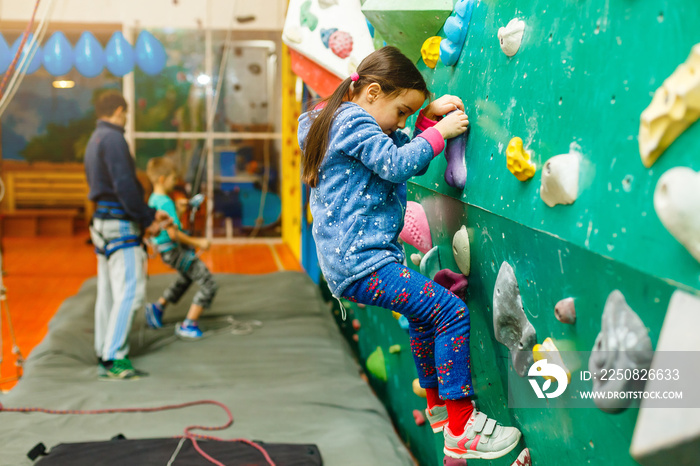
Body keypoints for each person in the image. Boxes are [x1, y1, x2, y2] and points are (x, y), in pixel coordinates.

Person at [297, 46, 522, 460]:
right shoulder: (352, 122)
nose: (400, 122)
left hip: (354, 264)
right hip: (364, 264)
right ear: (371, 93)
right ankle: (461, 425)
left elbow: (392, 149)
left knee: (424, 316)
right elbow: (397, 163)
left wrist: (421, 118)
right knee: (449, 312)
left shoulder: (337, 121)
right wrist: (439, 131)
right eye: (400, 111)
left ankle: (437, 405)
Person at [85, 90, 171, 380]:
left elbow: (115, 189)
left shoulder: (94, 139)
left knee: (109, 292)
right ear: (120, 110)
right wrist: (147, 220)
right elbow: (124, 186)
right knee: (132, 292)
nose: (126, 120)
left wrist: (147, 212)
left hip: (102, 223)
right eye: (126, 114)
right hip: (120, 224)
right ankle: (115, 357)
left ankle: (103, 350)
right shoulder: (114, 139)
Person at [144, 156, 217, 340]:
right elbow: (174, 234)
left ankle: (158, 307)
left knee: (186, 278)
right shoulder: (166, 202)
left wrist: (181, 210)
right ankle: (188, 324)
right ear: (162, 179)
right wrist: (198, 243)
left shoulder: (155, 199)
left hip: (165, 251)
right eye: (173, 179)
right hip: (174, 250)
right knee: (208, 283)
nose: (175, 183)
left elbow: (169, 225)